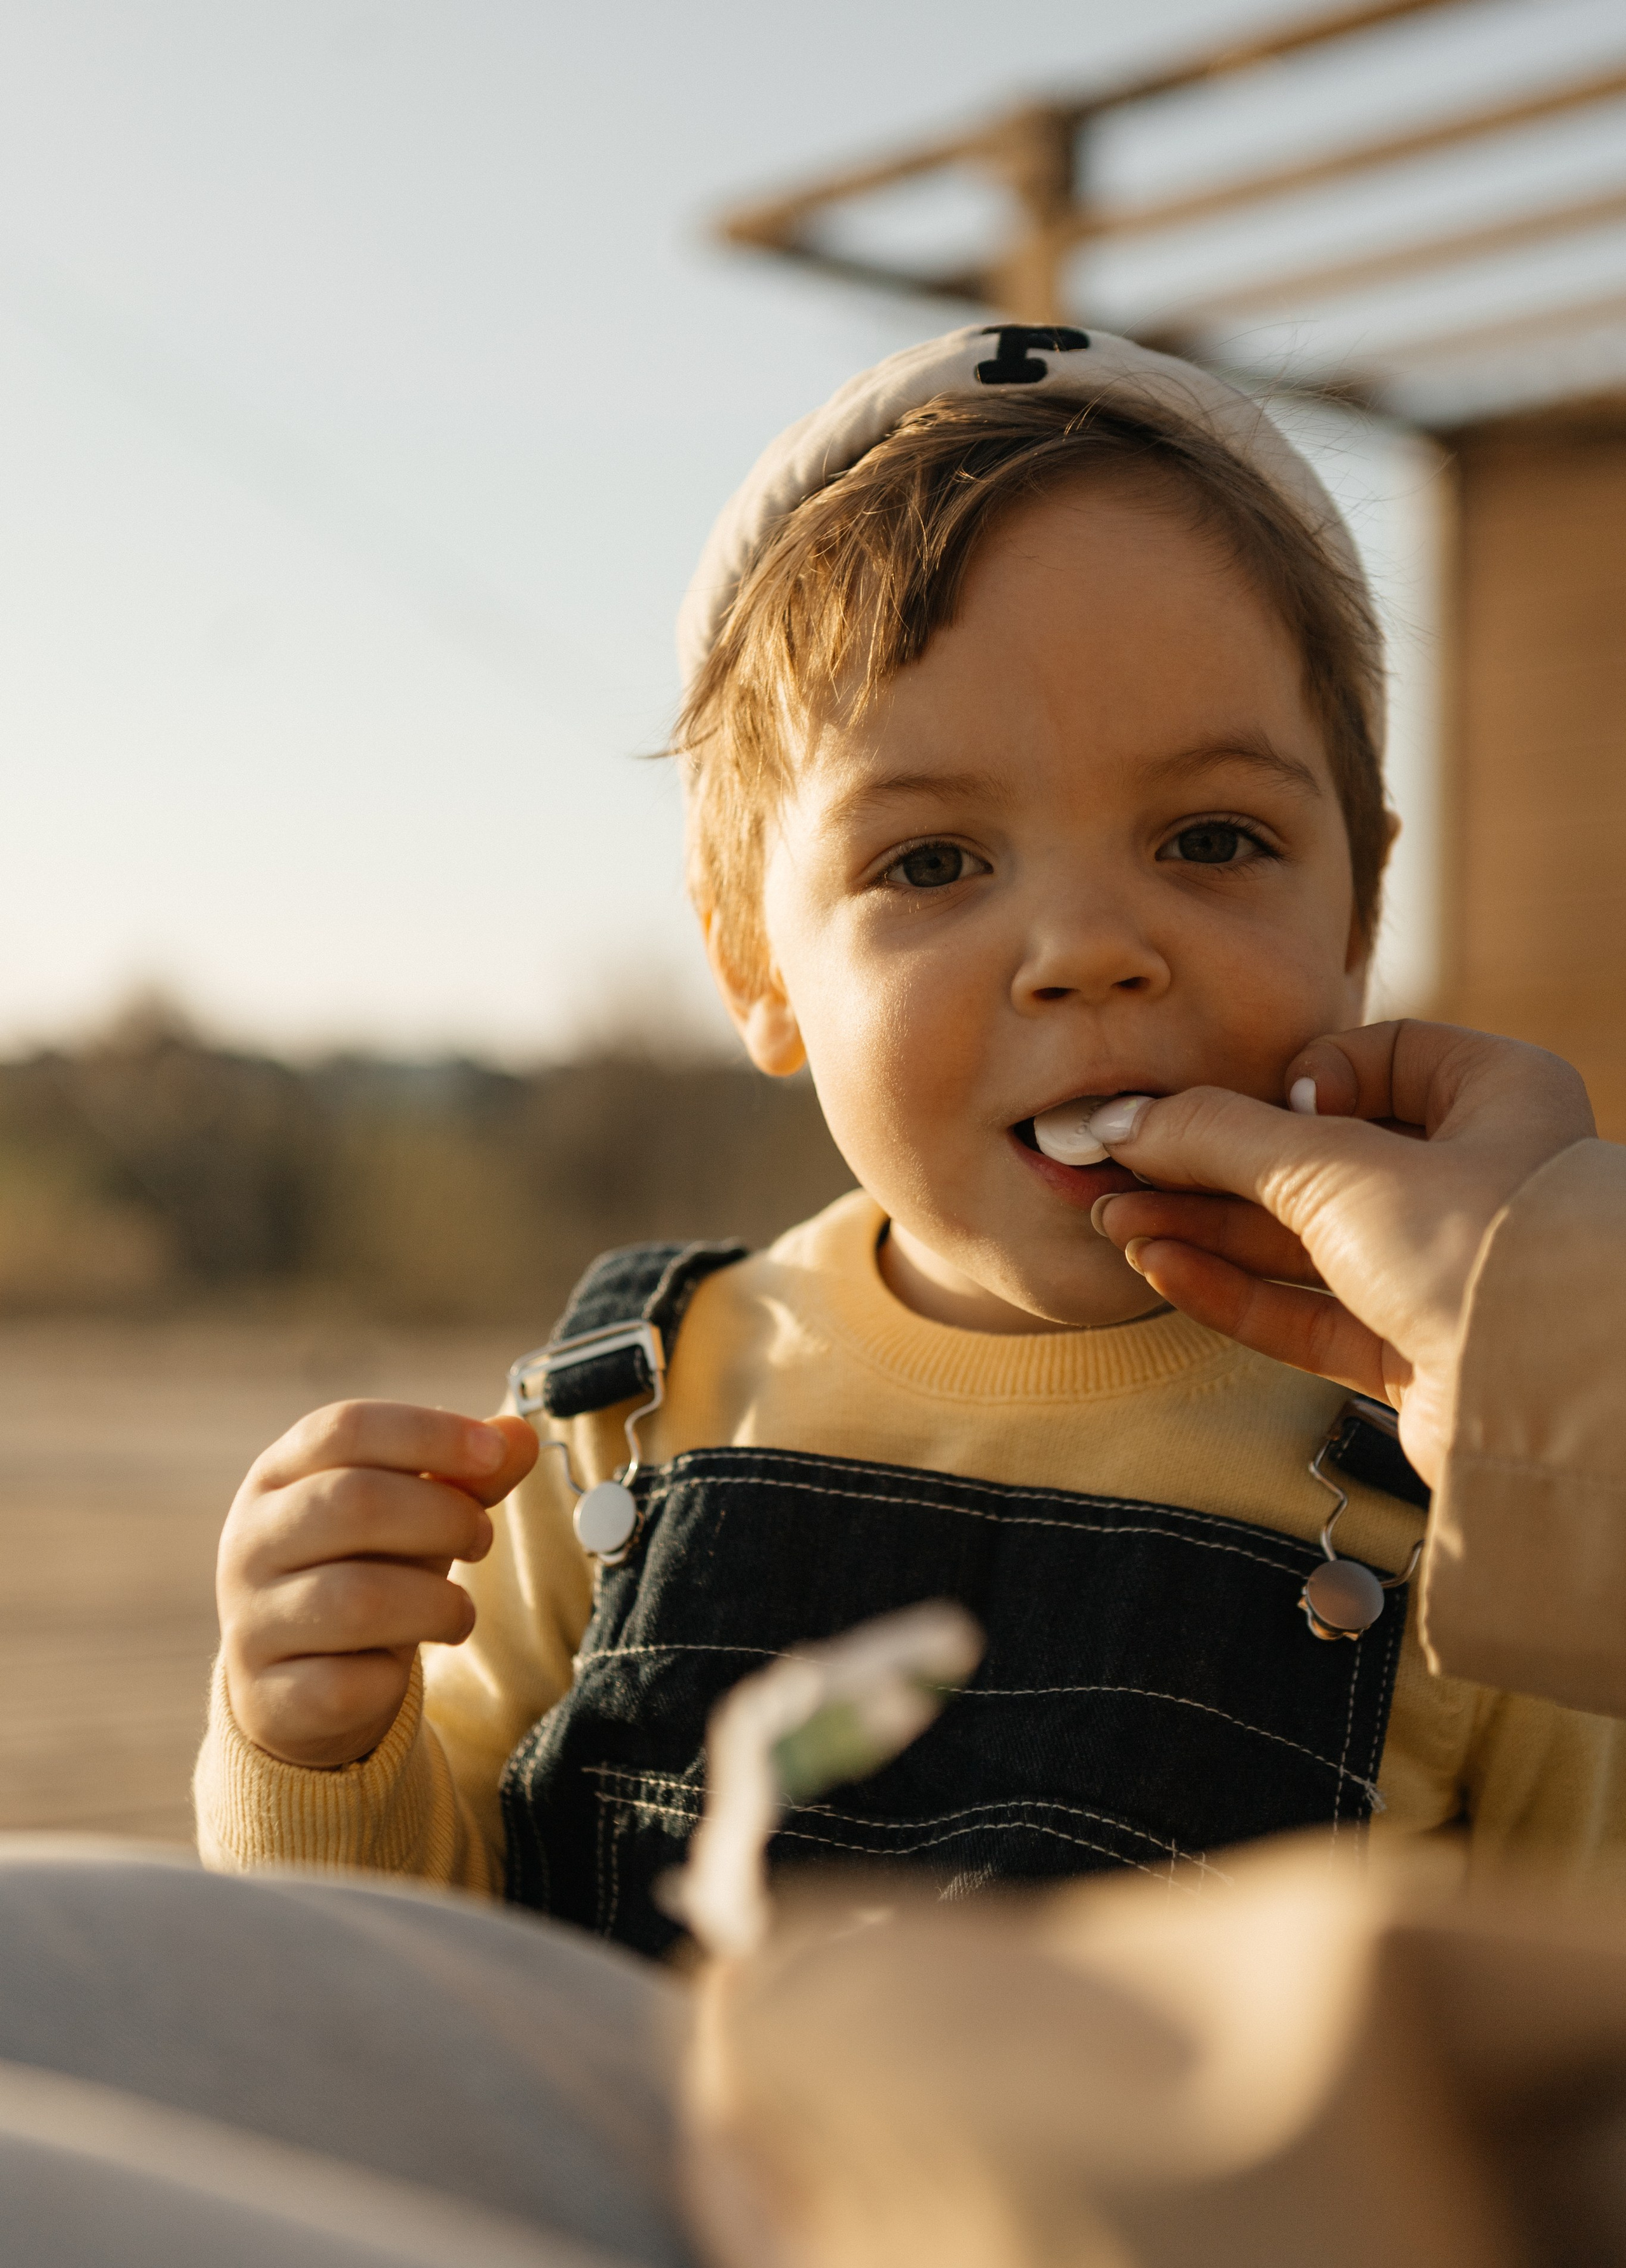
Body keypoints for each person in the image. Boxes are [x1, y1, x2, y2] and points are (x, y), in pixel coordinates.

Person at [196, 323, 1626, 1940]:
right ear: (754, 960)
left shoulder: (1496, 1477)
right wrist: (313, 1739)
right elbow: (432, 1975)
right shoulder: (631, 1409)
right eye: (933, 861)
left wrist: (1551, 1344)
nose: (1087, 946)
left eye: (1211, 837)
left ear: (1356, 900)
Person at [1085, 1017, 1626, 1716]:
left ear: (1355, 954)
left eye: (1212, 894)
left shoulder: (1500, 1544)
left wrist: (1533, 1328)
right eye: (929, 894)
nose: (1085, 953)